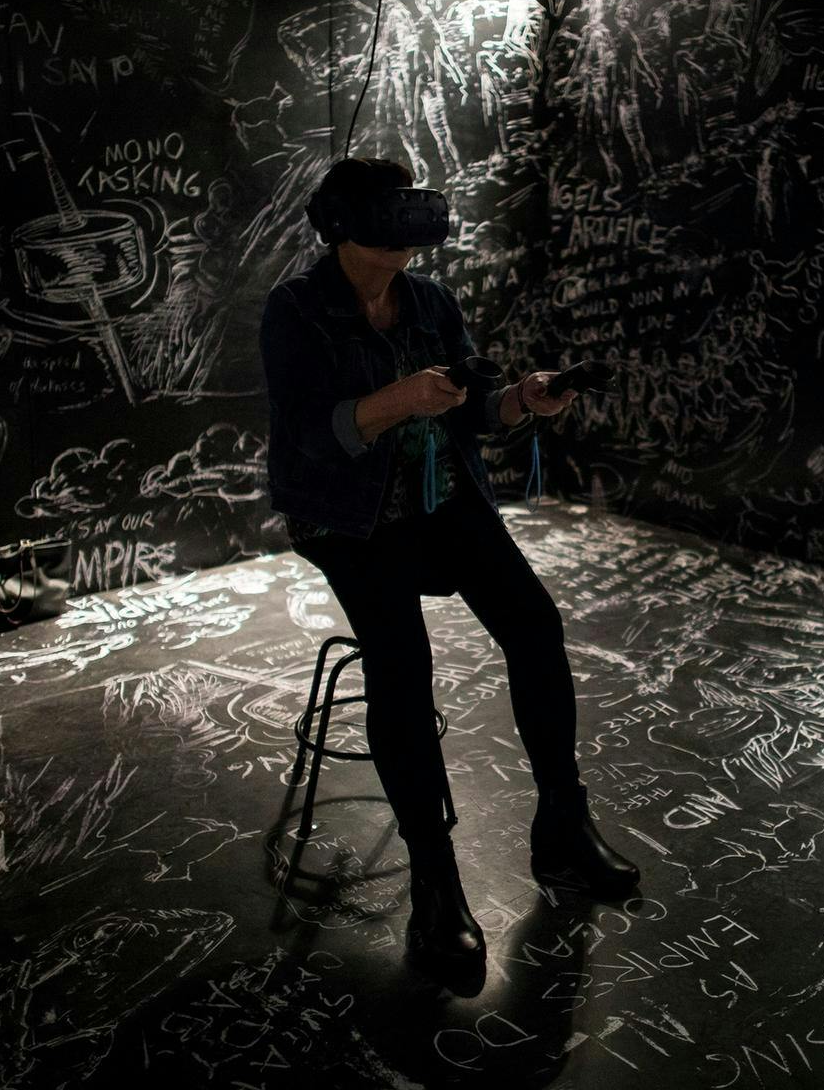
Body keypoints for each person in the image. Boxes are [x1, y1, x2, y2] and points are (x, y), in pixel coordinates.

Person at [259, 156, 639, 981]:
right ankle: (437, 881)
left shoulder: (429, 300)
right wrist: (398, 400)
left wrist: (518, 400)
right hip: (348, 517)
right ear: (345, 222)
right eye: (393, 209)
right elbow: (302, 436)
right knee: (403, 664)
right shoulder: (296, 310)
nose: (412, 223)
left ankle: (563, 825)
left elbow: (472, 404)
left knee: (534, 622)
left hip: (439, 497)